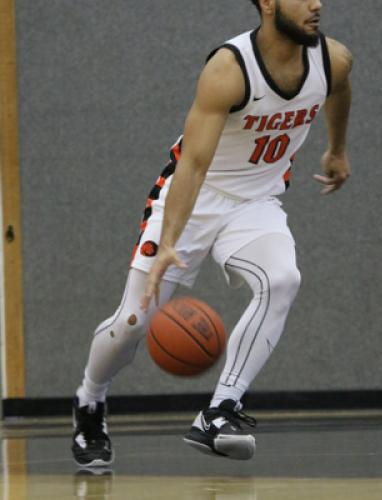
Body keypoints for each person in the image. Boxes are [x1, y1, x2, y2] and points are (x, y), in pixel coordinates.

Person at [71, 0, 353, 466]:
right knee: (132, 324)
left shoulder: (333, 59)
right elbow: (195, 164)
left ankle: (220, 410)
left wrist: (337, 150)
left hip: (255, 204)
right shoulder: (229, 69)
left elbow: (340, 90)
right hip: (192, 197)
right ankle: (90, 399)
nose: (317, 3)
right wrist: (168, 245)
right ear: (267, 4)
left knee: (282, 279)